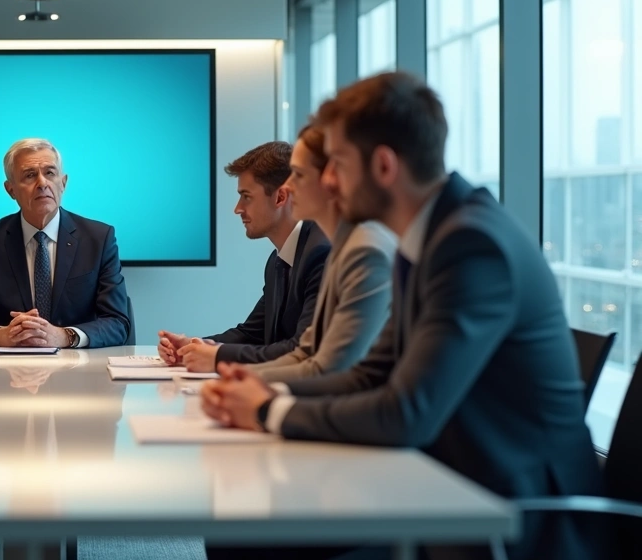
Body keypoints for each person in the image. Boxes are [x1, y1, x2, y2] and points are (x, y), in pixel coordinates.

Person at [200, 72, 605, 559]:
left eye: (339, 164)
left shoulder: (470, 246)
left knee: (246, 537)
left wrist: (268, 410)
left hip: (512, 514)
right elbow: (372, 373)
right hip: (446, 480)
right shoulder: (429, 238)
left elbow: (405, 413)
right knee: (237, 530)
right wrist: (263, 388)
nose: (327, 180)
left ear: (385, 166)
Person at [158, 141, 330, 371]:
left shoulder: (320, 253)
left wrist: (217, 356)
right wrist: (193, 346)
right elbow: (251, 334)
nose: (237, 208)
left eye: (246, 196)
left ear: (280, 197)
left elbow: (301, 349)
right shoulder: (277, 262)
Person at [0, 138, 131, 348]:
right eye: (30, 175)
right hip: (8, 371)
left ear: (63, 183)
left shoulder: (98, 238)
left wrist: (64, 336)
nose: (42, 183)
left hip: (78, 369)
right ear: (11, 190)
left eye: (50, 173)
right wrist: (1, 336)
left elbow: (118, 323)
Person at [246, 124, 395, 383]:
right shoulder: (342, 246)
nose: (288, 187)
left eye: (298, 175)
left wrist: (252, 390)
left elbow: (329, 369)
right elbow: (307, 351)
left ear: (332, 178)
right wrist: (234, 378)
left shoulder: (361, 250)